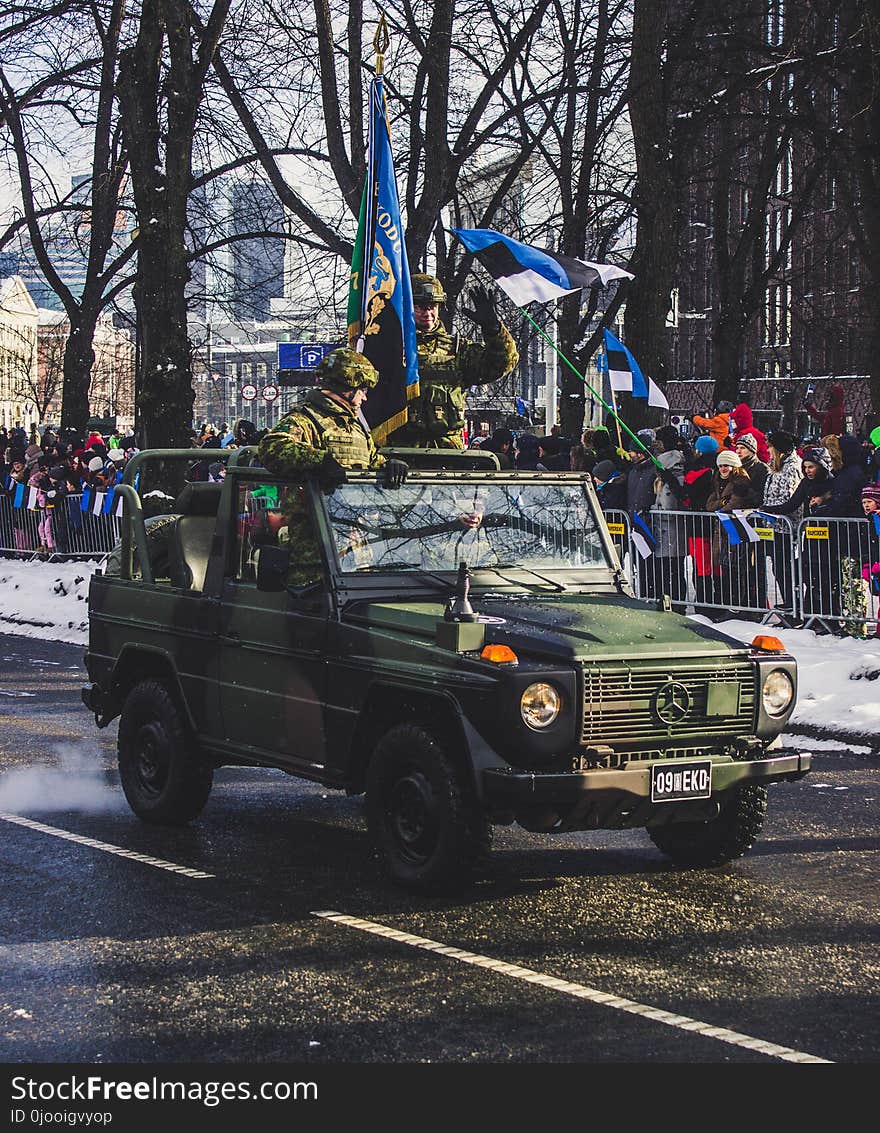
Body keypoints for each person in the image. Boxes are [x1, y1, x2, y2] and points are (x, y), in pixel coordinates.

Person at [385, 274, 519, 449]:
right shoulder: (391, 348)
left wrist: (493, 329)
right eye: (419, 306)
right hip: (400, 447)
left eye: (432, 306)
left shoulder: (457, 350)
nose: (427, 313)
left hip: (447, 449)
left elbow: (502, 363)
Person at [258, 348, 406, 487]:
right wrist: (320, 461)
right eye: (362, 390)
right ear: (346, 387)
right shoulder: (305, 420)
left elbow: (371, 459)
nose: (364, 397)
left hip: (349, 510)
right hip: (312, 511)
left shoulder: (354, 426)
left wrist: (389, 466)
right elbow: (272, 448)